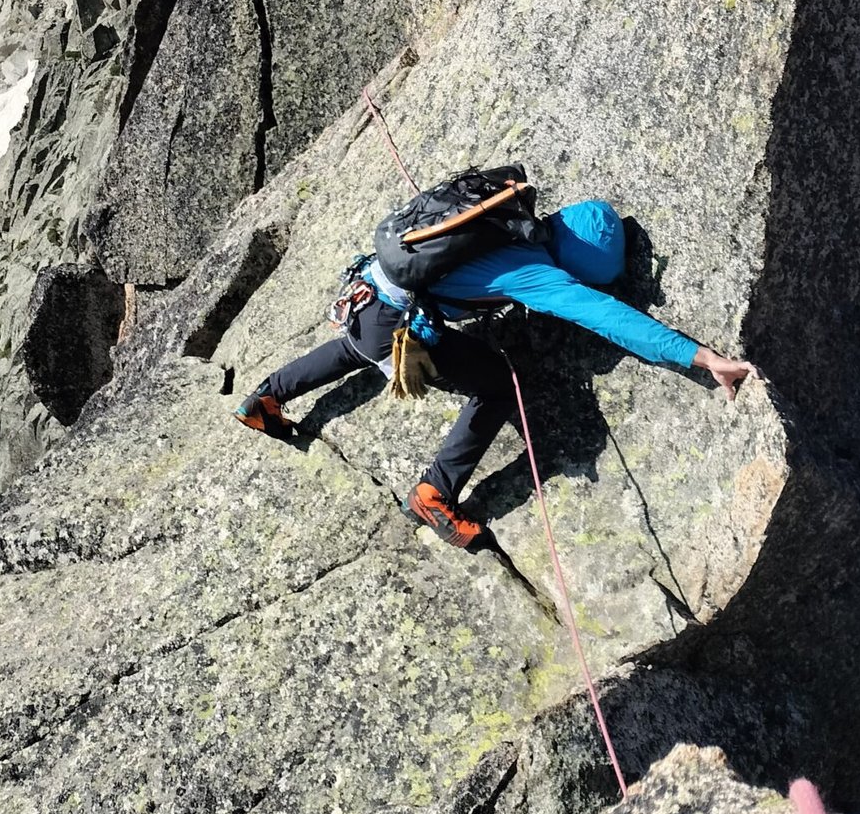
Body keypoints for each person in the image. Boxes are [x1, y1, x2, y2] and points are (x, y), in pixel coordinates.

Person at [234, 197, 757, 550]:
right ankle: (435, 494)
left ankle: (265, 397)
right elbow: (608, 318)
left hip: (366, 292)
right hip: (393, 324)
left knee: (359, 346)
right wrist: (702, 357)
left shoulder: (504, 216)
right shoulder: (539, 273)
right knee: (499, 387)